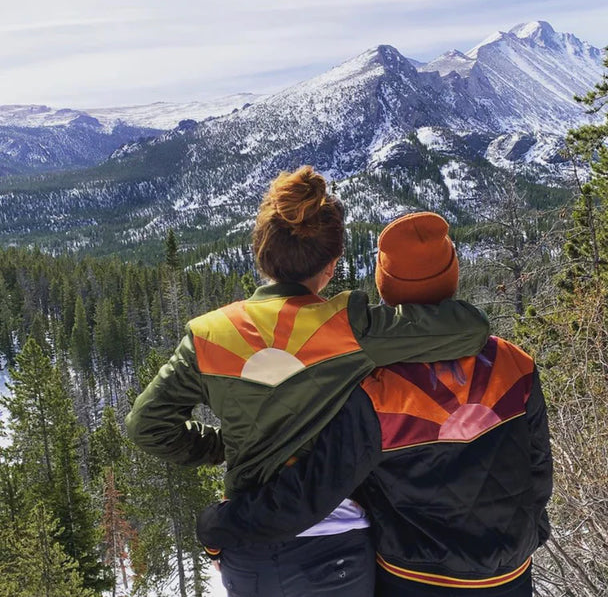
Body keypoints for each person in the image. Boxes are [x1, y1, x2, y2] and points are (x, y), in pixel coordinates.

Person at [126, 168, 490, 597]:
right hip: (337, 549)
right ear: (332, 265)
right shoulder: (350, 328)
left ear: (261, 257)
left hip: (250, 544)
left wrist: (222, 444)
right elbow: (470, 328)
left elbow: (146, 426)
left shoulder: (208, 334)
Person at [198, 211, 553, 597]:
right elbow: (537, 468)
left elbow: (313, 491)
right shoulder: (514, 364)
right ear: (452, 277)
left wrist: (223, 524)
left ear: (386, 289)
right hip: (510, 572)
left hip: (414, 577)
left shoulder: (374, 389)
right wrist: (531, 531)